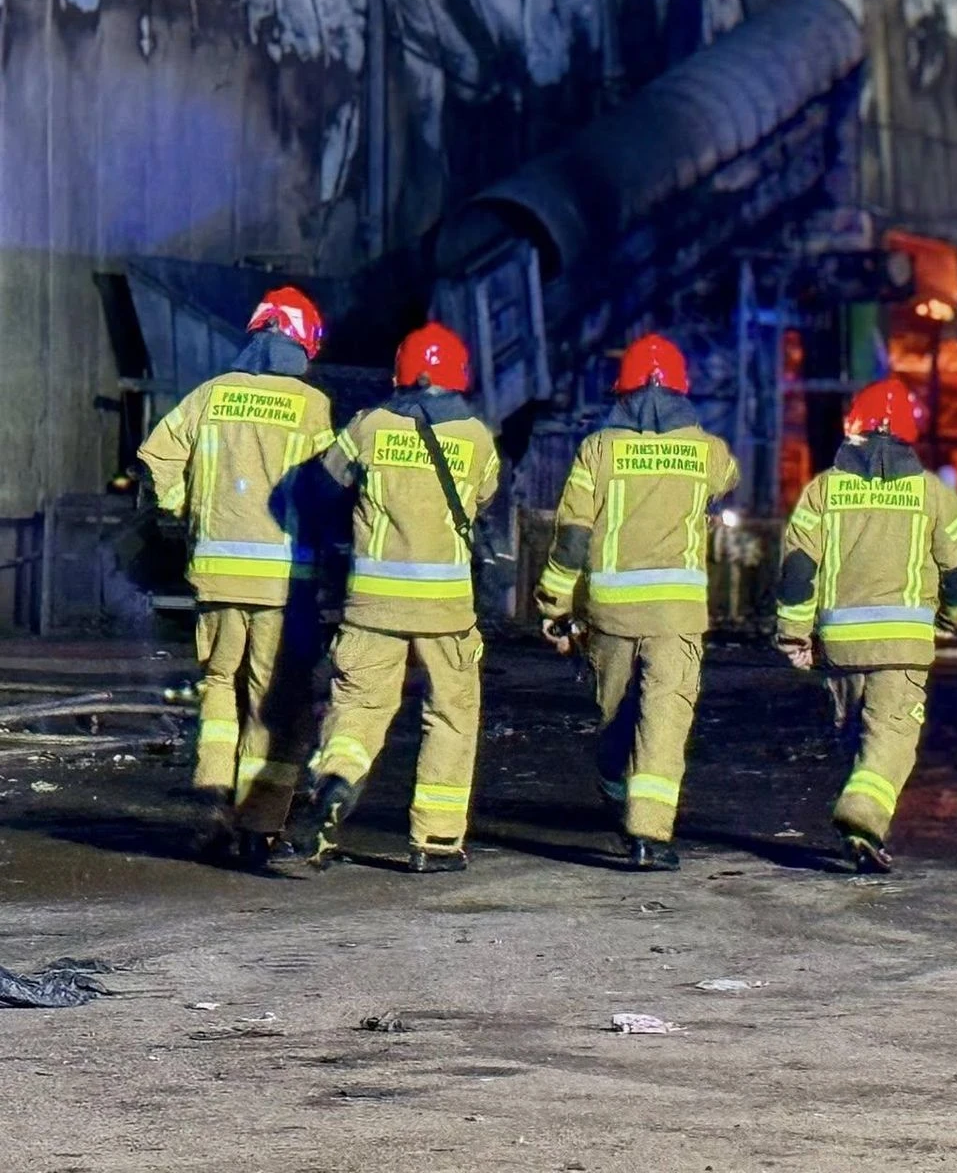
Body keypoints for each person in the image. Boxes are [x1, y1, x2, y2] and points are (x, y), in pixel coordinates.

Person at [136, 287, 335, 869]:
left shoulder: (210, 395)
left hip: (216, 576)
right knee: (277, 705)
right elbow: (326, 493)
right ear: (301, 343)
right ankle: (259, 824)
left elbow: (157, 458)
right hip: (282, 583)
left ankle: (211, 794)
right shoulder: (311, 406)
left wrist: (183, 507)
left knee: (220, 687)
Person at [295, 323, 500, 873]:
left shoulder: (367, 426)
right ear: (459, 375)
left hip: (373, 605)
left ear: (399, 373)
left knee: (359, 709)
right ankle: (434, 841)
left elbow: (321, 487)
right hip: (446, 609)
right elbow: (482, 501)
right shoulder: (478, 438)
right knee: (451, 716)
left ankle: (336, 781)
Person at [533, 334, 739, 871]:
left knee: (615, 716)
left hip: (611, 612)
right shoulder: (709, 452)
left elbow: (572, 535)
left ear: (620, 391)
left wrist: (555, 603)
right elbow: (726, 480)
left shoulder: (598, 450)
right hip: (677, 613)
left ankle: (616, 791)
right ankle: (649, 834)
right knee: (664, 718)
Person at [774, 378, 957, 873]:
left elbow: (798, 568)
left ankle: (860, 831)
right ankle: (862, 817)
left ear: (853, 430)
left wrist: (793, 633)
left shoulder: (823, 489)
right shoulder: (934, 495)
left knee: (856, 739)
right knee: (889, 739)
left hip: (841, 647)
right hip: (902, 647)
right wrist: (952, 619)